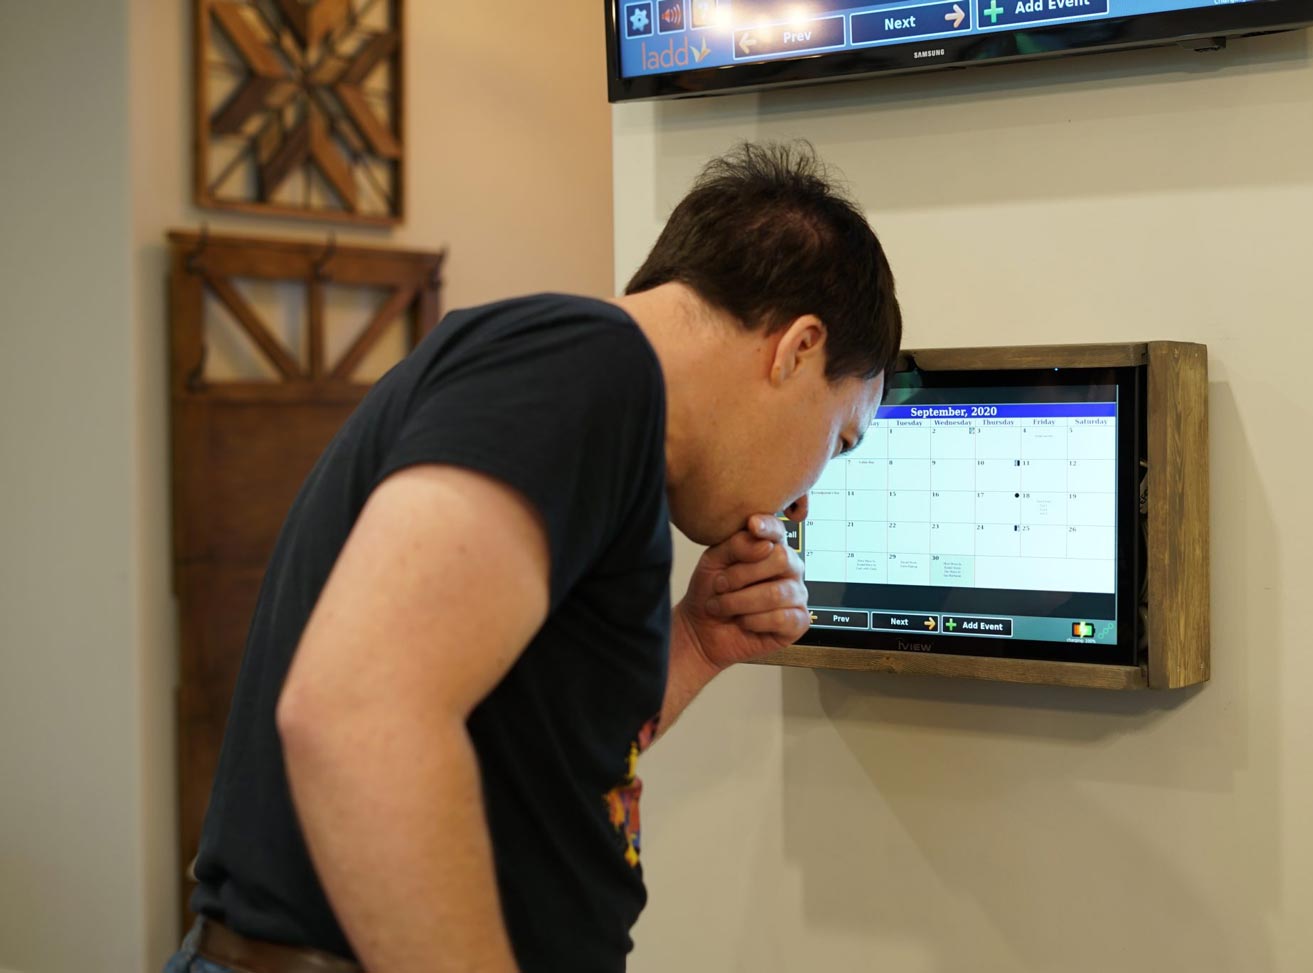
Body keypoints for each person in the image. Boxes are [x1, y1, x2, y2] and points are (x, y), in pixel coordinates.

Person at [165, 140, 902, 973]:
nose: (804, 498)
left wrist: (697, 639)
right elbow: (356, 712)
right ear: (798, 348)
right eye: (838, 439)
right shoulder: (591, 365)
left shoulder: (604, 420)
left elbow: (529, 759)